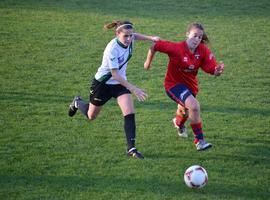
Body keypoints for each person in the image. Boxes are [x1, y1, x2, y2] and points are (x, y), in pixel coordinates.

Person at [68, 20, 159, 159]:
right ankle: (77, 102)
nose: (129, 39)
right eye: (126, 36)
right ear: (117, 34)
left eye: (130, 35)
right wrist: (134, 88)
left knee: (129, 112)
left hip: (119, 85)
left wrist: (151, 38)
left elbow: (136, 36)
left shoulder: (130, 38)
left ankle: (131, 148)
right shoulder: (112, 48)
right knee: (91, 116)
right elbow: (115, 74)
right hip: (102, 84)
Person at [144, 22, 224, 151]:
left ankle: (178, 123)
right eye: (194, 35)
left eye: (200, 37)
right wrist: (148, 63)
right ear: (187, 34)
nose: (197, 39)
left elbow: (209, 66)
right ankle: (200, 141)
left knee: (186, 112)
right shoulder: (176, 48)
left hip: (190, 87)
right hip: (173, 85)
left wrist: (216, 71)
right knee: (194, 106)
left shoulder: (202, 50)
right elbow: (155, 45)